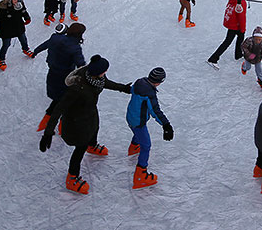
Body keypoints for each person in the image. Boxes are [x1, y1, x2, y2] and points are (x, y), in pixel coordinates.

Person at [39, 55, 131, 194]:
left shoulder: (97, 78)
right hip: (76, 121)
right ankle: (72, 177)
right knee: (80, 148)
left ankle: (92, 145)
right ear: (96, 72)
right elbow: (58, 109)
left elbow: (106, 83)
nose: (105, 73)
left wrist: (123, 88)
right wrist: (48, 132)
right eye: (104, 71)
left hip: (90, 113)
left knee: (95, 128)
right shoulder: (77, 88)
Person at [33, 22, 86, 132]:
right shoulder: (75, 48)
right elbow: (80, 64)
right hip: (65, 77)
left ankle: (45, 122)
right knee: (65, 102)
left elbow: (45, 45)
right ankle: (61, 126)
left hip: (52, 73)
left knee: (57, 100)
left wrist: (35, 51)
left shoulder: (55, 38)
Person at [126, 67, 173, 189]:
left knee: (137, 132)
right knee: (146, 146)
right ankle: (140, 176)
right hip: (138, 121)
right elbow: (155, 111)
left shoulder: (139, 82)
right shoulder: (149, 94)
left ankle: (134, 147)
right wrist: (166, 125)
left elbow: (131, 90)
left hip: (130, 116)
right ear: (159, 82)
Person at [207, 0, 250, 69]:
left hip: (231, 23)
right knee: (227, 42)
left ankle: (238, 54)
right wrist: (243, 28)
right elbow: (241, 17)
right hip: (235, 25)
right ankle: (213, 59)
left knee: (239, 38)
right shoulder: (241, 2)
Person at [0, 0, 34, 70]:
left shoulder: (20, 5)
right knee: (6, 44)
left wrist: (27, 18)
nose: (16, 1)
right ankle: (1, 59)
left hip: (18, 27)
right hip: (6, 29)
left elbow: (24, 12)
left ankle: (26, 49)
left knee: (23, 40)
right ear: (10, 0)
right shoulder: (3, 8)